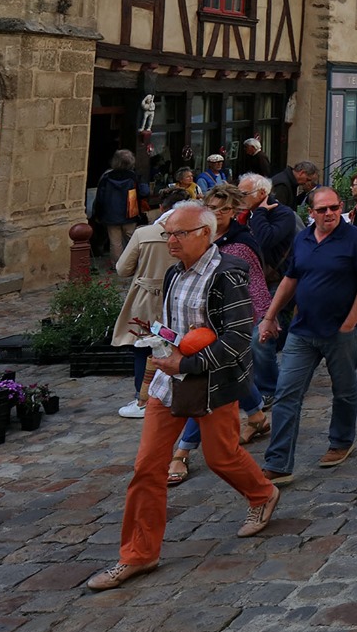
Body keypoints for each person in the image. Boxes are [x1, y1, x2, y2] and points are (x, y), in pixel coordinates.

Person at [89, 201, 280, 590]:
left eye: (178, 233)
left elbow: (238, 340)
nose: (169, 240)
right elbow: (178, 329)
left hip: (212, 384)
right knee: (147, 468)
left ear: (205, 235)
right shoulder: (174, 273)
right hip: (167, 384)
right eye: (168, 233)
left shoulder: (230, 274)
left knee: (220, 456)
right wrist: (159, 338)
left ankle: (262, 493)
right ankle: (138, 555)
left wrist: (187, 365)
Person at [257, 188, 357, 481]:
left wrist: (350, 324)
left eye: (334, 207)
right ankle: (278, 463)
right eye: (322, 209)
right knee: (286, 393)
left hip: (339, 331)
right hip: (303, 329)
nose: (329, 213)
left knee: (344, 390)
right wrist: (269, 317)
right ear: (310, 213)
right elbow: (291, 280)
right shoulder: (304, 238)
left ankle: (340, 441)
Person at [169, 188, 276, 483]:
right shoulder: (195, 240)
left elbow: (254, 282)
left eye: (222, 209)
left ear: (232, 212)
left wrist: (266, 315)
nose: (216, 213)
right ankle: (255, 416)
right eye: (211, 207)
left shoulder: (240, 244)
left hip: (228, 327)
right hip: (197, 330)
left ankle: (183, 451)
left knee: (202, 389)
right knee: (230, 376)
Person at [111, 217, 174, 422]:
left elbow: (123, 269)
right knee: (174, 344)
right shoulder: (191, 233)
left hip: (147, 298)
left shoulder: (144, 234)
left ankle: (143, 398)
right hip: (175, 296)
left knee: (142, 345)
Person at [88, 149, 148, 263]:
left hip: (110, 214)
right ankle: (135, 264)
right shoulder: (133, 177)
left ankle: (118, 267)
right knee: (132, 240)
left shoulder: (106, 177)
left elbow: (100, 197)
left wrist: (98, 214)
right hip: (130, 212)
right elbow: (144, 192)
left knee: (115, 242)